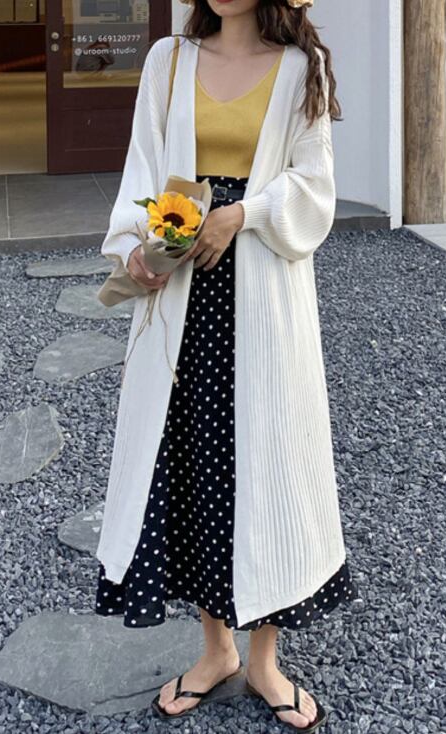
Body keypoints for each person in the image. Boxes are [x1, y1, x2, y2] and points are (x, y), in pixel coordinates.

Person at [94, 0, 357, 730]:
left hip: (265, 295)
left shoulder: (300, 67)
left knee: (268, 463)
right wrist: (138, 246)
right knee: (192, 462)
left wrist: (244, 213)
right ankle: (216, 652)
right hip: (183, 293)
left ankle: (265, 662)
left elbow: (315, 183)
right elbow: (144, 165)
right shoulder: (169, 60)